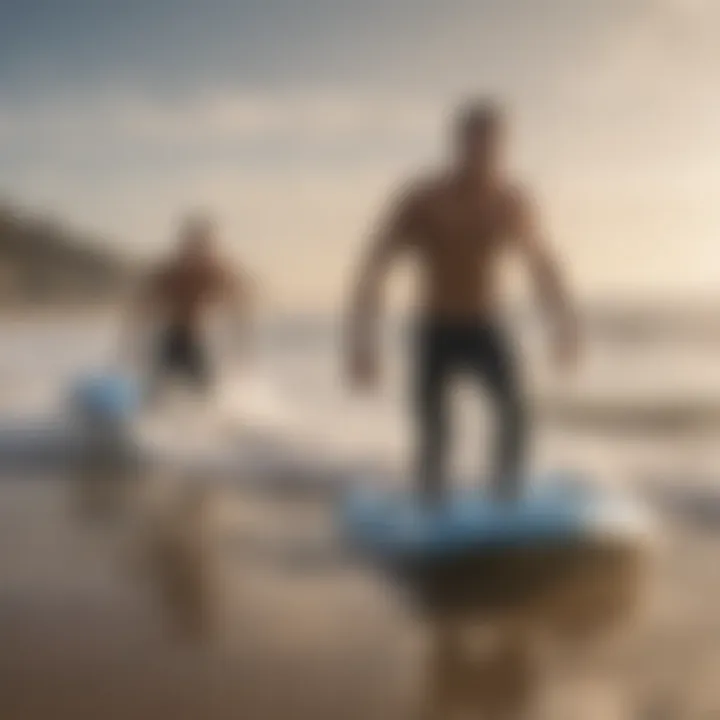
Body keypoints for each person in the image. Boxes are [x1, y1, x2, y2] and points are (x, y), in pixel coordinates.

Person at [346, 100, 579, 503]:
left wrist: (565, 328)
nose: (485, 153)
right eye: (476, 142)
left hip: (486, 326)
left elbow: (542, 265)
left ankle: (506, 500)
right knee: (436, 431)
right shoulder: (424, 199)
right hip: (435, 328)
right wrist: (362, 343)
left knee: (515, 411)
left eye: (494, 144)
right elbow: (375, 266)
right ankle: (431, 511)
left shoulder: (511, 202)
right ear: (458, 143)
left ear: (504, 147)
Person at [125, 214, 253, 402]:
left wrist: (242, 342)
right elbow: (144, 303)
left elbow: (237, 302)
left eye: (201, 244)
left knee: (200, 389)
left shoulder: (212, 272)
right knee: (158, 388)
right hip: (173, 337)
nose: (196, 249)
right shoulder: (172, 272)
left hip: (192, 338)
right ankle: (150, 416)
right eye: (193, 243)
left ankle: (199, 420)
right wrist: (131, 342)